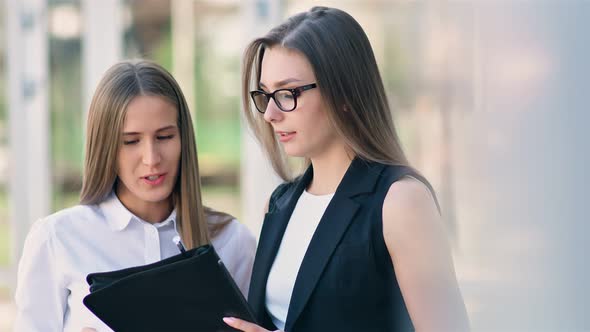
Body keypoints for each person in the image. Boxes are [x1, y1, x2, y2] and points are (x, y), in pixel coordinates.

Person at [223, 6, 470, 332]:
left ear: (343, 93)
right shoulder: (279, 204)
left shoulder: (401, 202)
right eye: (266, 95)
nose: (270, 113)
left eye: (287, 93)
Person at [14, 60, 256, 332]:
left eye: (164, 136)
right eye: (130, 141)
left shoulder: (234, 242)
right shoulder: (56, 238)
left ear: (183, 139)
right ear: (105, 147)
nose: (151, 159)